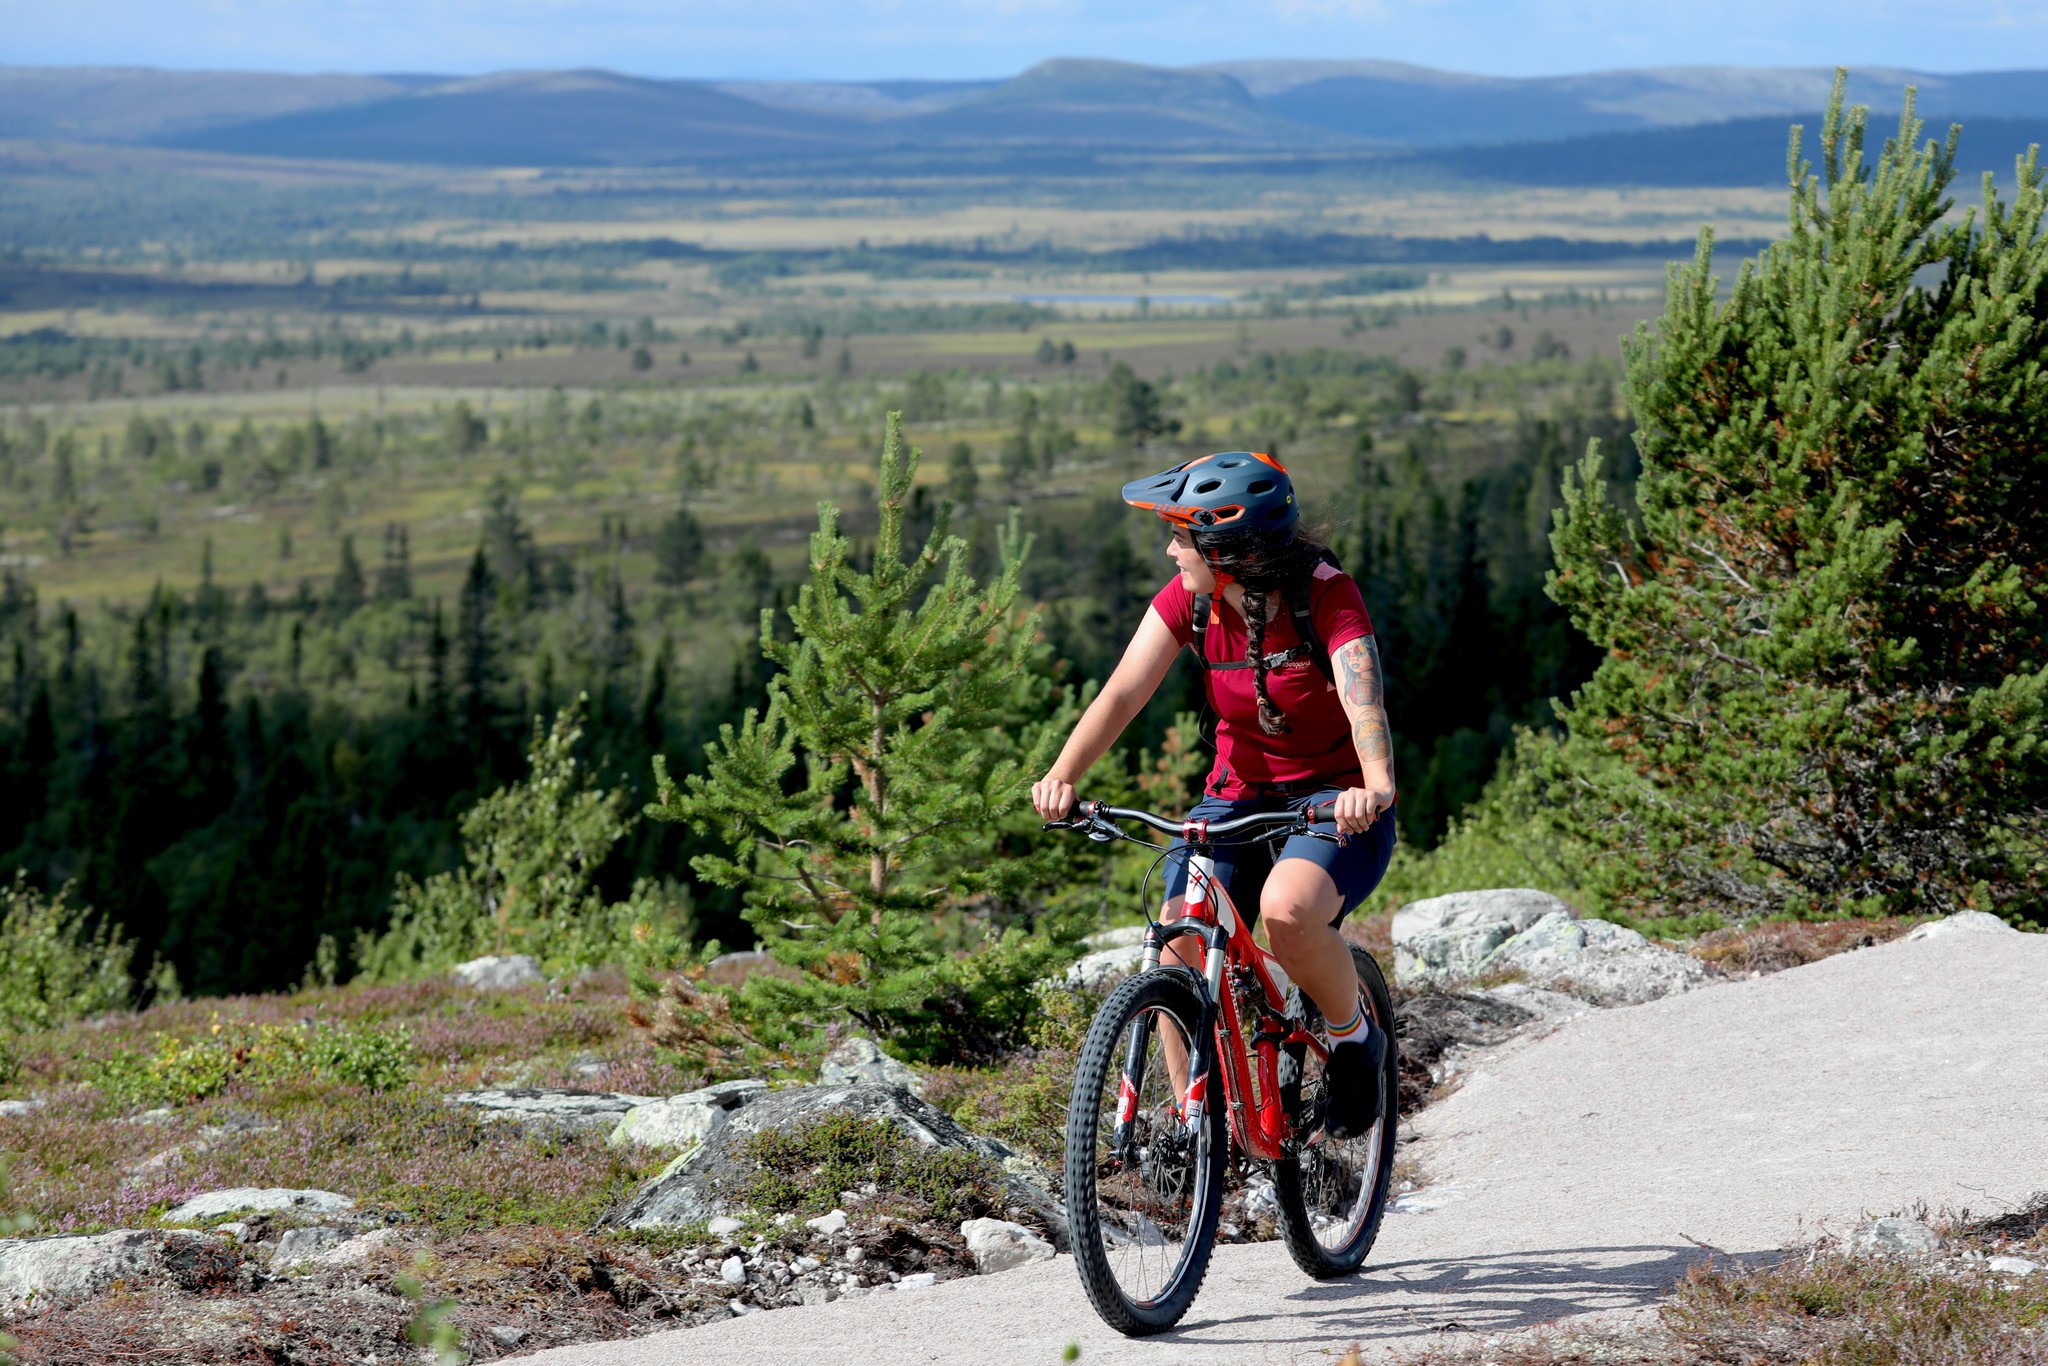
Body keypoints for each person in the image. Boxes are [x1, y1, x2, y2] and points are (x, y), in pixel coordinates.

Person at [1030, 451, 1398, 1138]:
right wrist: (1063, 775)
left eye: (1183, 538)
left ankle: (1353, 1040)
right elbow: (1122, 692)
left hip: (1334, 799)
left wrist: (1374, 786)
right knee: (1177, 941)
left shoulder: (1324, 594)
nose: (1172, 551)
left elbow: (1362, 694)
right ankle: (1193, 1124)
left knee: (1286, 913)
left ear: (1229, 550)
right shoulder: (1188, 602)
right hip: (1236, 795)